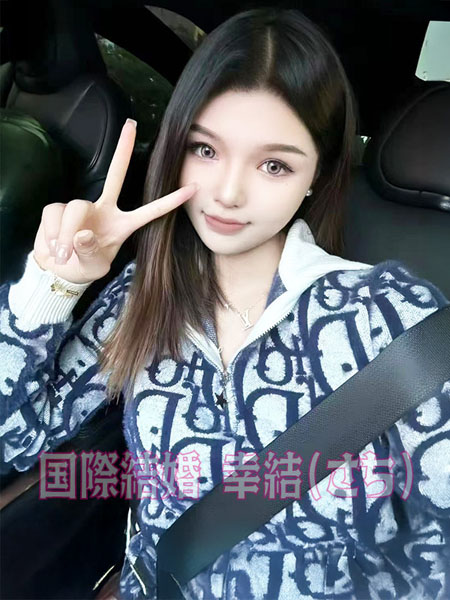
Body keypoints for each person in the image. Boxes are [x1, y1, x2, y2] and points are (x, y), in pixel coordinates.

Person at [0, 7, 449, 600]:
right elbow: (15, 438)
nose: (229, 192)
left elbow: (437, 548)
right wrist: (52, 286)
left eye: (273, 164)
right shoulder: (142, 296)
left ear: (315, 176)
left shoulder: (388, 318)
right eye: (206, 150)